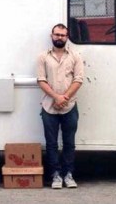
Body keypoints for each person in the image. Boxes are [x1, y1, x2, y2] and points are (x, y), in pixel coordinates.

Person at [37, 23, 84, 189]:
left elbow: (78, 80)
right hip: (49, 106)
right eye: (57, 34)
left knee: (69, 143)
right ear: (52, 36)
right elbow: (41, 80)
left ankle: (68, 175)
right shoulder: (43, 57)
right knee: (51, 144)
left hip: (69, 106)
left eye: (63, 35)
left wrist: (64, 98)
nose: (59, 37)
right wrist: (56, 97)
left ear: (67, 37)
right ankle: (55, 175)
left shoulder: (75, 56)